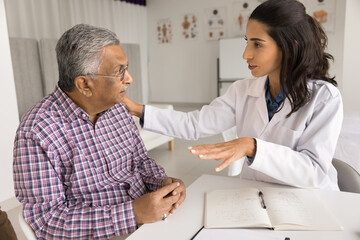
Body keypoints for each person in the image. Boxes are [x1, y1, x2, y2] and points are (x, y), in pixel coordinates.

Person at [124, 0, 343, 190]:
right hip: (258, 194)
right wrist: (135, 108)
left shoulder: (324, 98)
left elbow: (314, 172)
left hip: (310, 199)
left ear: (290, 46)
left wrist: (252, 146)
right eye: (246, 41)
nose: (246, 54)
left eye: (257, 44)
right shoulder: (243, 90)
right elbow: (194, 124)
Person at [13, 24, 186, 239]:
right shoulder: (37, 132)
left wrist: (162, 184)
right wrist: (132, 213)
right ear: (84, 84)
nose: (129, 79)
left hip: (149, 225)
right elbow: (47, 221)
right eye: (119, 72)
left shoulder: (118, 109)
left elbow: (141, 162)